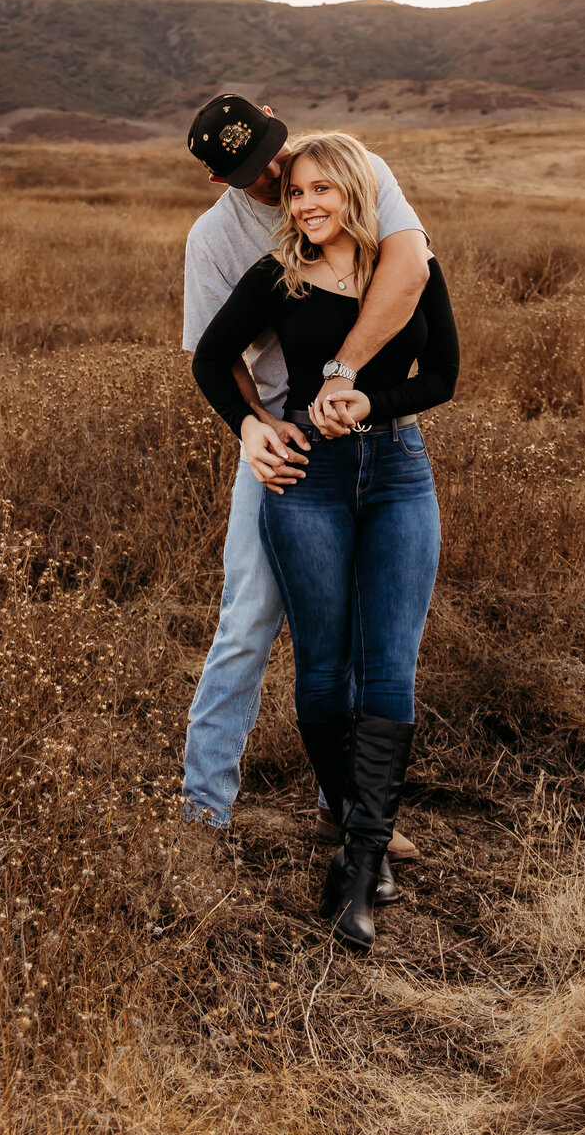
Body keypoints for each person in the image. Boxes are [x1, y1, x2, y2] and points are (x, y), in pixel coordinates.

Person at [192, 131, 459, 949]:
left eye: (320, 190)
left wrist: (370, 404)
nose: (305, 203)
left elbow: (443, 374)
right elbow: (209, 357)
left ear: (354, 189)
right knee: (319, 662)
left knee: (390, 661)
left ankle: (365, 854)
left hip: (400, 470)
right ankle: (252, 812)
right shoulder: (274, 274)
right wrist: (253, 425)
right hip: (308, 480)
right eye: (296, 193)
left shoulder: (410, 270)